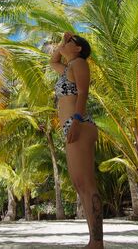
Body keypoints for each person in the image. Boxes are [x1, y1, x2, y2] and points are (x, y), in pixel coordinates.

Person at [50, 31, 103, 249]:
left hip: (79, 124)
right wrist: (63, 42)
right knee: (79, 183)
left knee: (87, 183)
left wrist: (77, 121)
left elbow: (83, 93)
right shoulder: (66, 69)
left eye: (70, 42)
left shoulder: (79, 63)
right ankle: (93, 240)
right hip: (72, 126)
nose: (64, 44)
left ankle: (97, 243)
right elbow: (53, 60)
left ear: (79, 48)